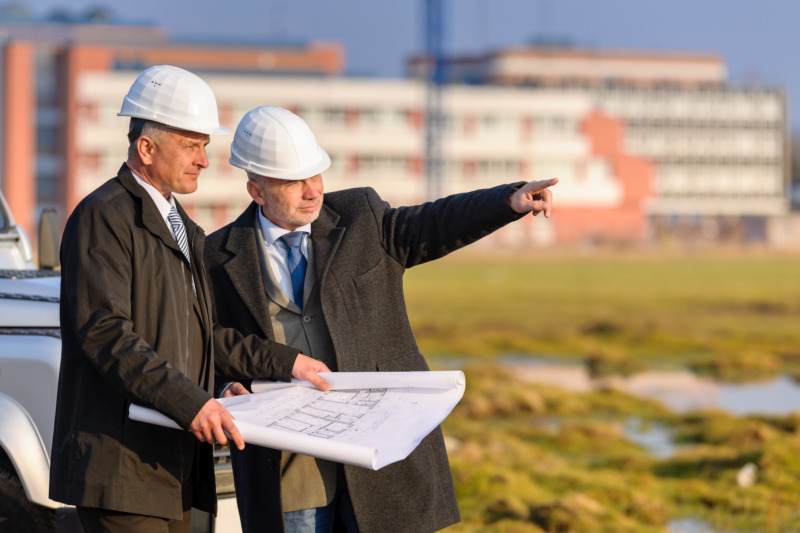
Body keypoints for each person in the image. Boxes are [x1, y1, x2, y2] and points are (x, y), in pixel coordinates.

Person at [205, 105, 558, 533]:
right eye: (294, 181)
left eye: (315, 174)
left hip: (379, 457)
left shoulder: (361, 217)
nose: (312, 190)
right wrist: (225, 386)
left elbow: (432, 222)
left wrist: (507, 201)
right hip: (290, 472)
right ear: (256, 191)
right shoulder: (216, 256)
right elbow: (207, 345)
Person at [50, 68, 330, 533]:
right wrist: (193, 404)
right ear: (146, 148)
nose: (204, 160)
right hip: (122, 470)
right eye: (192, 146)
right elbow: (107, 334)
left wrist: (286, 363)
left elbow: (198, 335)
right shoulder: (104, 217)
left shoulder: (184, 229)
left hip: (176, 468)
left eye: (205, 146)